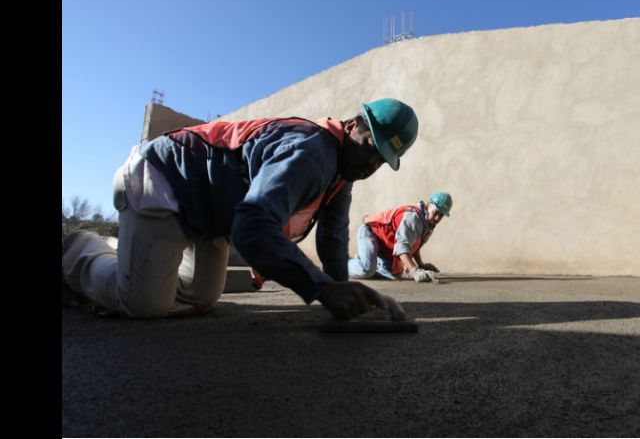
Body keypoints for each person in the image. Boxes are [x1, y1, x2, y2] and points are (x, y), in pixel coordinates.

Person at [62, 98, 419, 320]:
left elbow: (333, 235)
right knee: (142, 305)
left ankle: (129, 257)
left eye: (382, 161)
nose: (371, 165)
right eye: (371, 149)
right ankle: (81, 250)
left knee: (202, 297)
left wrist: (344, 290)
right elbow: (253, 226)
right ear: (353, 125)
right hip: (163, 183)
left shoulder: (341, 174)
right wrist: (322, 289)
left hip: (209, 217)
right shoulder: (314, 152)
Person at [348, 191, 453, 283]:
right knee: (366, 270)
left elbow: (414, 245)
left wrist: (421, 264)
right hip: (371, 232)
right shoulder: (413, 218)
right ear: (428, 206)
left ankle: (365, 259)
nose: (437, 218)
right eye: (436, 212)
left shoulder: (428, 224)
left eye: (441, 215)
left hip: (386, 245)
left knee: (394, 275)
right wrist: (414, 270)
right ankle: (342, 263)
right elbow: (402, 247)